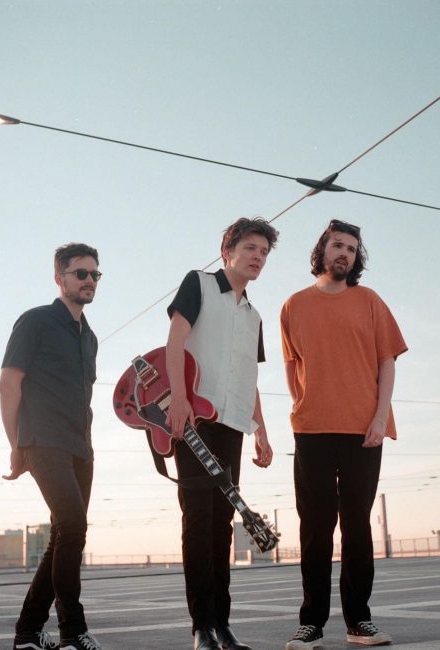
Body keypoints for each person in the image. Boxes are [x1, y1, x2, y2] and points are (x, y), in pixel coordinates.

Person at [280, 220, 407, 649]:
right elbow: (291, 366)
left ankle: (359, 621)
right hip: (312, 429)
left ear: (357, 258)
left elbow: (387, 362)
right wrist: (302, 407)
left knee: (356, 526)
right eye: (338, 245)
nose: (345, 254)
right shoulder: (293, 305)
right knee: (315, 527)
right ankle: (310, 623)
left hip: (362, 430)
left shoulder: (369, 301)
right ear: (322, 250)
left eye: (352, 249)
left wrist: (379, 416)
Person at [165, 217, 278, 650]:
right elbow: (175, 341)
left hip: (233, 425)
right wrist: (178, 399)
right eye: (250, 248)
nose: (258, 257)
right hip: (193, 420)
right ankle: (201, 628)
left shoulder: (255, 316)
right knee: (198, 521)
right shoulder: (198, 283)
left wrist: (261, 431)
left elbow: (249, 379)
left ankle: (222, 625)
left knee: (223, 526)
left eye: (264, 253)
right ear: (227, 250)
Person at [0, 243, 103, 650]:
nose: (89, 280)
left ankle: (27, 633)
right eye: (81, 273)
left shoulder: (89, 337)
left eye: (95, 274)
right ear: (59, 278)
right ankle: (73, 632)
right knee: (74, 526)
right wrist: (16, 445)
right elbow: (9, 384)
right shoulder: (36, 322)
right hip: (43, 440)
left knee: (64, 534)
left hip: (81, 446)